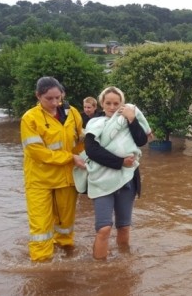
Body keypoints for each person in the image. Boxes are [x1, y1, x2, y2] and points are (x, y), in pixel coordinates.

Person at [74, 86, 151, 260]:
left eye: (116, 103)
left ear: (122, 104)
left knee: (124, 227)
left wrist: (132, 120)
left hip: (127, 180)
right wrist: (120, 162)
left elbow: (141, 140)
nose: (112, 107)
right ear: (101, 104)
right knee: (104, 228)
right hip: (101, 180)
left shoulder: (128, 120)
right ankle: (100, 270)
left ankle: (123, 265)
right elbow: (92, 151)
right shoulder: (94, 124)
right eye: (108, 103)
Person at [20, 76, 86, 262]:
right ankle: (41, 266)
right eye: (49, 98)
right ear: (38, 96)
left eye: (58, 97)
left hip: (67, 178)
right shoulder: (30, 118)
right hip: (40, 181)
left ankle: (66, 255)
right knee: (40, 227)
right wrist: (70, 157)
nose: (55, 102)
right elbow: (36, 152)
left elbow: (80, 141)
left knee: (65, 225)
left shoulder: (72, 113)